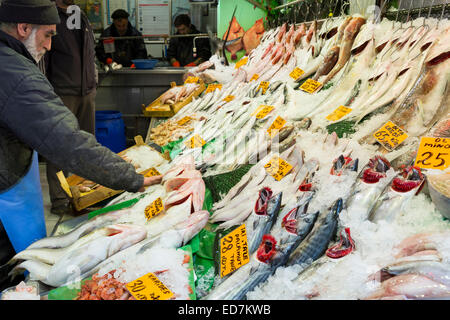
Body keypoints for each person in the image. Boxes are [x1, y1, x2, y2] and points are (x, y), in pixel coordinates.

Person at [0, 0, 161, 290]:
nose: (50, 46)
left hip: (9, 175)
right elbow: (69, 142)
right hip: (4, 194)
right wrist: (131, 178)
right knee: (12, 274)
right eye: (48, 35)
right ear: (23, 28)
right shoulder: (18, 76)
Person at [44, 0, 98, 215]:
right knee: (59, 147)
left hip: (86, 91)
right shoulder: (50, 16)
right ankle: (60, 200)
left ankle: (84, 195)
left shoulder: (79, 15)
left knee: (86, 144)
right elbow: (42, 57)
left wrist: (92, 82)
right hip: (62, 92)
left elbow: (88, 52)